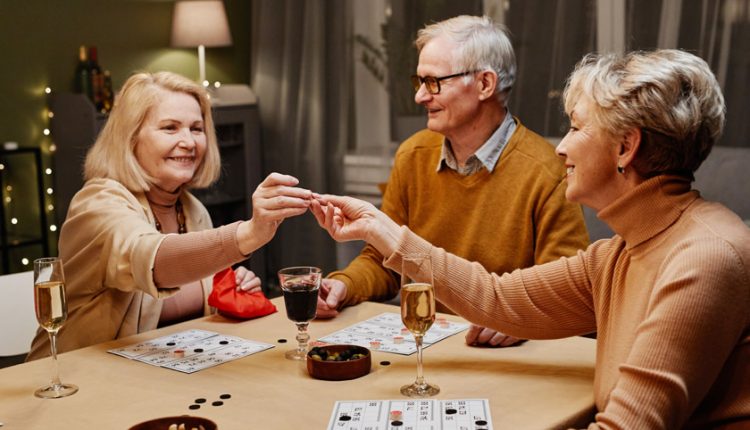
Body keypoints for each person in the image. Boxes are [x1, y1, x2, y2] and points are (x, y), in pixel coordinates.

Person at [312, 49, 750, 428]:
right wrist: (381, 229)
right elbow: (497, 298)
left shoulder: (704, 258)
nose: (561, 147)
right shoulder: (620, 252)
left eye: (577, 128)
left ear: (625, 148)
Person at [316, 15, 589, 347]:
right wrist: (344, 285)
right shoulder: (412, 155)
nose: (419, 97)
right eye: (419, 81)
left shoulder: (547, 171)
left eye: (433, 82)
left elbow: (567, 293)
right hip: (426, 348)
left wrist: (522, 320)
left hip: (504, 360)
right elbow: (384, 261)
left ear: (485, 84)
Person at [27, 71, 313, 360]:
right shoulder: (98, 203)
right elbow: (153, 260)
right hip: (75, 378)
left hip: (155, 372)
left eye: (196, 128)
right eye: (170, 128)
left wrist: (228, 289)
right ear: (131, 137)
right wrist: (250, 233)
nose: (189, 141)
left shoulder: (191, 209)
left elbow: (185, 308)